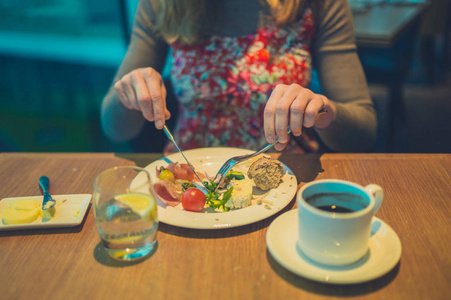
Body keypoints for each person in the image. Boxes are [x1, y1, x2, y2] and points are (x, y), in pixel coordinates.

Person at [101, 0, 377, 153]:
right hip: (190, 183)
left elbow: (364, 132)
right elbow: (115, 129)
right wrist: (127, 95)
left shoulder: (316, 4)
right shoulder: (163, 4)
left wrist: (322, 111)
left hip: (288, 175)